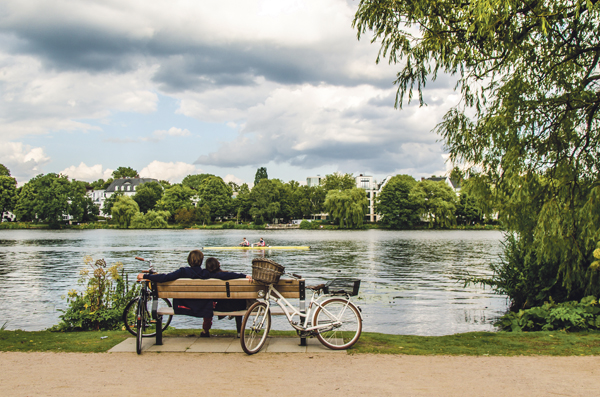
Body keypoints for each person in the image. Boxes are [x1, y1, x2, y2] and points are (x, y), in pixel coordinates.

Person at [137, 250, 251, 338]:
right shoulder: (206, 273)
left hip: (184, 306)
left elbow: (165, 278)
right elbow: (225, 275)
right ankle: (207, 331)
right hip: (203, 307)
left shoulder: (182, 272)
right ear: (201, 261)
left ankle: (205, 331)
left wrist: (146, 276)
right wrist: (243, 276)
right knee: (207, 301)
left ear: (189, 260)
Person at [205, 257, 249, 337]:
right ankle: (239, 332)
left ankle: (206, 331)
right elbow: (233, 275)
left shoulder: (206, 277)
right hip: (234, 306)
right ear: (218, 265)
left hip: (215, 307)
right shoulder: (223, 275)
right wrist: (245, 276)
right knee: (238, 301)